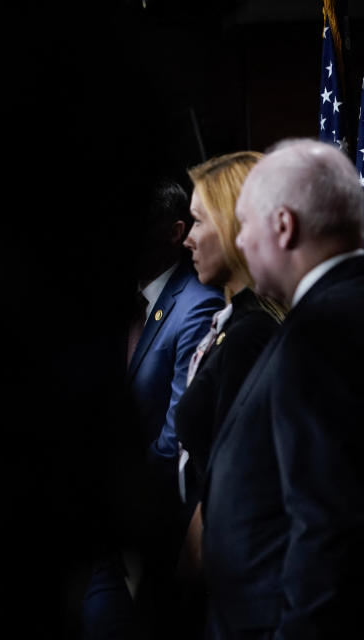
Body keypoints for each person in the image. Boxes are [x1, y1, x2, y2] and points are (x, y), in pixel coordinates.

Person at [203, 138, 364, 637]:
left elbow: (330, 525)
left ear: (282, 225)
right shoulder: (341, 308)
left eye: (244, 225)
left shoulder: (323, 329)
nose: (242, 243)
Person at [81, 179, 225, 639]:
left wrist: (120, 499)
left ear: (173, 231)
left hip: (157, 526)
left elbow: (175, 435)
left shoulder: (196, 305)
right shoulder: (111, 297)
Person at [170, 151, 285, 635]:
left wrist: (182, 579)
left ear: (235, 222)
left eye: (197, 221)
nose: (188, 240)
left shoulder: (251, 333)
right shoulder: (232, 324)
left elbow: (231, 478)